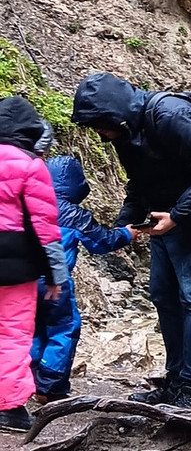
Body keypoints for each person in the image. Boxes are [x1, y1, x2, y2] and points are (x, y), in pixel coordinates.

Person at [71, 73, 191, 410]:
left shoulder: (171, 115)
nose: (98, 133)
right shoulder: (125, 131)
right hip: (162, 218)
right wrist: (123, 227)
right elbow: (139, 181)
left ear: (112, 114)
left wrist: (177, 216)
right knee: (163, 294)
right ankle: (174, 380)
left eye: (98, 125)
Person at [32, 156, 135, 403]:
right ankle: (50, 387)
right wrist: (126, 234)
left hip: (21, 279)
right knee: (64, 328)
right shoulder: (73, 214)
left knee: (31, 328)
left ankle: (29, 379)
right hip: (55, 280)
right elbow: (103, 242)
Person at [0, 97, 68, 433]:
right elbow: (45, 227)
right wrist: (56, 274)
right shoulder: (30, 165)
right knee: (12, 335)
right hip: (16, 267)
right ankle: (10, 409)